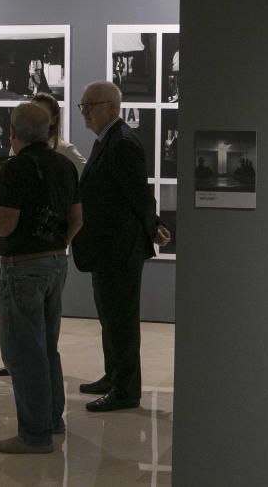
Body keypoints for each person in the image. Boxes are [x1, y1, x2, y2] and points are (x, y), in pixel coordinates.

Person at [0, 103, 82, 453]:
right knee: (46, 347)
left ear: (13, 131)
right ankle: (52, 420)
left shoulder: (12, 169)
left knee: (22, 352)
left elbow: (4, 224)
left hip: (22, 265)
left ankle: (34, 435)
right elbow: (77, 219)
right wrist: (55, 248)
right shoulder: (63, 165)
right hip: (56, 263)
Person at [71, 81, 170, 412]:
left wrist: (153, 225)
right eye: (82, 105)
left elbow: (137, 193)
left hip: (119, 248)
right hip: (108, 247)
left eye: (89, 105)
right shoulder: (108, 141)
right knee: (109, 317)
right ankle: (113, 375)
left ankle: (126, 389)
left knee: (121, 321)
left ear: (111, 107)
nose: (84, 112)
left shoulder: (122, 143)